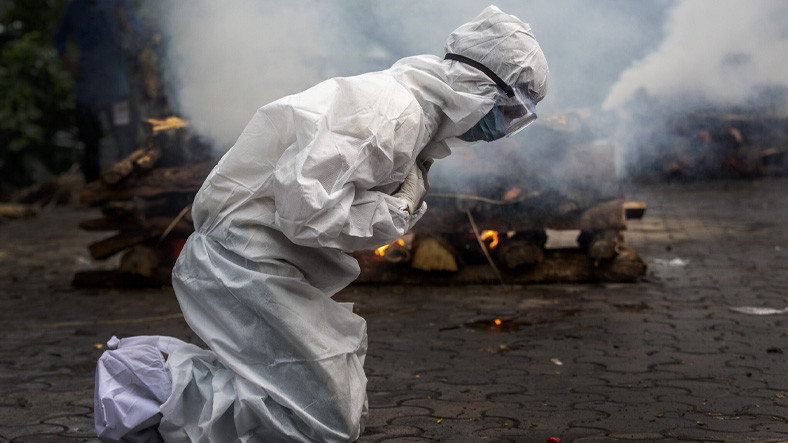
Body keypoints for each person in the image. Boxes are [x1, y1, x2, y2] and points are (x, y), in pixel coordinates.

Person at [93, 5, 549, 442]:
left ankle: (161, 382)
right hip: (242, 263)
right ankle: (142, 382)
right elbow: (305, 214)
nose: (504, 128)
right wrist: (400, 209)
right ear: (481, 87)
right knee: (325, 422)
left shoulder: (409, 115)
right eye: (510, 112)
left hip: (258, 262)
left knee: (332, 409)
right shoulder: (390, 113)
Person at [54, 0, 141, 182]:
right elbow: (59, 37)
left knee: (124, 137)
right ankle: (92, 188)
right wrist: (70, 66)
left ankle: (126, 184)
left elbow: (139, 37)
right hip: (88, 87)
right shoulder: (74, 8)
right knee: (89, 139)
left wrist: (123, 22)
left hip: (116, 86)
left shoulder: (118, 5)